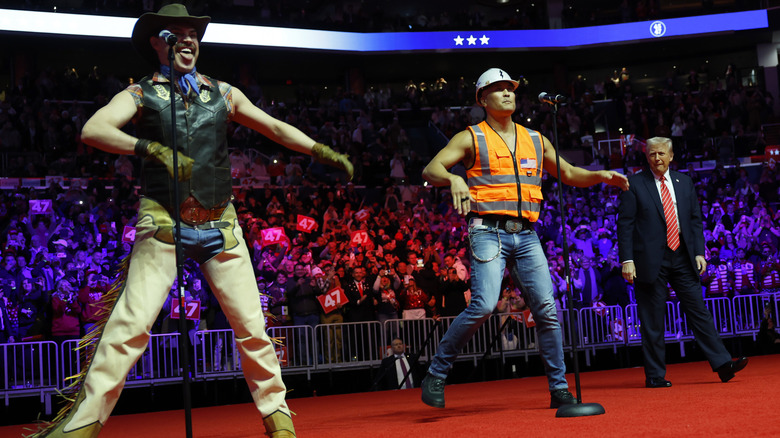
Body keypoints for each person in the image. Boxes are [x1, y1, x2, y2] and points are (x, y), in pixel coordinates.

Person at [34, 4, 352, 438]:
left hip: (222, 223)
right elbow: (94, 129)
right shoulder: (141, 93)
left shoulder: (223, 92)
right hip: (163, 222)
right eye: (176, 33)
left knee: (252, 327)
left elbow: (273, 127)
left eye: (192, 33)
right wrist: (150, 149)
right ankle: (82, 425)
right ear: (156, 42)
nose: (187, 39)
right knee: (130, 325)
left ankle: (279, 423)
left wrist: (319, 150)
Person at [419, 67, 629, 409]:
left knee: (548, 309)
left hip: (527, 235)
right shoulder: (470, 137)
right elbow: (430, 170)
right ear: (483, 99)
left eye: (510, 89)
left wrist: (600, 176)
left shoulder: (535, 138)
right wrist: (454, 179)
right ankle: (437, 372)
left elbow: (569, 173)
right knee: (485, 305)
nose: (507, 93)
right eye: (498, 89)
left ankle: (559, 389)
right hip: (487, 231)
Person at [617, 136, 747, 389]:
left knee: (700, 313)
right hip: (649, 261)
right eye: (653, 154)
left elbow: (695, 220)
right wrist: (627, 260)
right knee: (653, 320)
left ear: (671, 156)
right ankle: (655, 376)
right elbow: (625, 225)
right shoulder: (633, 184)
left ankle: (723, 365)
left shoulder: (684, 182)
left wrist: (700, 251)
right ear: (647, 156)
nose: (657, 158)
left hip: (683, 257)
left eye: (662, 154)